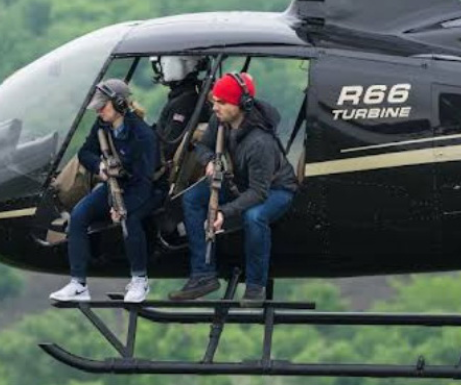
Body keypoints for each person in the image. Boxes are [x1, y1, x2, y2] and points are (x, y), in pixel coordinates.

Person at [169, 72, 298, 306]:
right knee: (191, 199)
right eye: (214, 101)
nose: (215, 107)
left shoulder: (260, 143)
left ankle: (255, 286)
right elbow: (203, 147)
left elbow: (259, 193)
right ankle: (203, 274)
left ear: (240, 104)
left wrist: (224, 212)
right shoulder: (220, 121)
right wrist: (210, 160)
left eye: (222, 102)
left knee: (254, 216)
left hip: (275, 189)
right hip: (240, 181)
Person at [50, 78, 159, 304]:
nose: (99, 111)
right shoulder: (103, 126)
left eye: (104, 106)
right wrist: (100, 167)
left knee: (131, 218)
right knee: (79, 215)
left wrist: (121, 206)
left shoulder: (143, 135)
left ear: (120, 104)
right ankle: (78, 283)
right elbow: (85, 153)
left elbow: (143, 180)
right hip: (113, 185)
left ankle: (139, 279)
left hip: (144, 190)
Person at [151, 55, 205, 165]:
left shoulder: (182, 103)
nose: (160, 67)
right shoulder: (190, 96)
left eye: (162, 63)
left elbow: (169, 145)